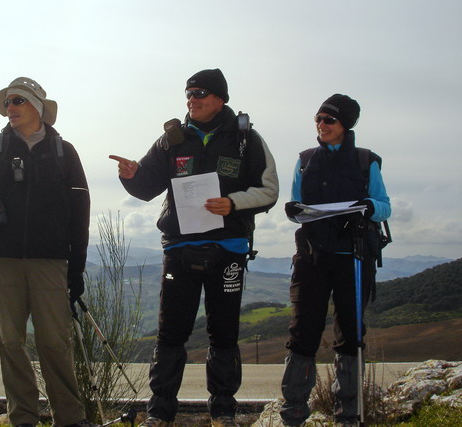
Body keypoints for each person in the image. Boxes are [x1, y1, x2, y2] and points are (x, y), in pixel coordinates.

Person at [110, 68, 279, 427]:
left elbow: (269, 191)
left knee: (224, 333)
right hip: (180, 248)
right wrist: (130, 176)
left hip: (229, 248)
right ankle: (159, 413)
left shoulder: (246, 139)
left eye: (200, 93)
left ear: (220, 99)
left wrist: (232, 202)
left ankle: (222, 412)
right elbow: (148, 187)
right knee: (171, 332)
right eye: (188, 94)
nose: (192, 100)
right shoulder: (171, 139)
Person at [0, 77, 95, 427]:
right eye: (7, 103)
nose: (10, 108)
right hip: (2, 263)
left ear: (37, 107)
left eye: (17, 101)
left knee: (55, 343)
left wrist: (76, 269)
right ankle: (23, 419)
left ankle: (70, 419)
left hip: (51, 262)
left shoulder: (65, 153)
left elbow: (81, 214)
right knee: (11, 344)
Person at [279, 94, 391, 426]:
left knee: (351, 334)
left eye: (329, 120)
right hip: (312, 258)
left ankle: (349, 414)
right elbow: (297, 204)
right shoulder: (305, 160)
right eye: (318, 119)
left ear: (346, 124)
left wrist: (370, 207)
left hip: (353, 258)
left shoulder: (366, 161)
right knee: (302, 333)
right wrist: (293, 210)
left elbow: (384, 204)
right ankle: (293, 413)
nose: (321, 125)